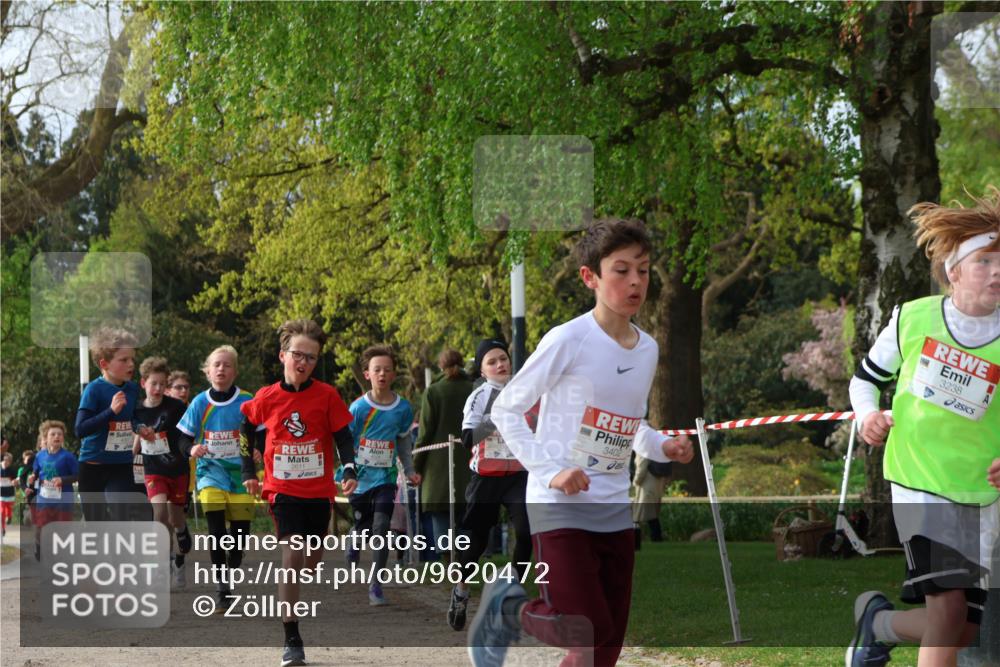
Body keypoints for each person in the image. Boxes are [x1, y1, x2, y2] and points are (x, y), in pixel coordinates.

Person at [468, 218, 694, 667]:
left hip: (612, 508)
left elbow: (632, 426)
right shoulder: (567, 340)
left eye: (644, 270)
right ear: (590, 277)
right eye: (622, 270)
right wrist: (551, 471)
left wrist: (661, 446)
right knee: (584, 630)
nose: (635, 281)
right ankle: (507, 607)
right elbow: (506, 409)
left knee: (605, 644)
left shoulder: (647, 349)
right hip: (558, 507)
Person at [846, 194, 1000, 667]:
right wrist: (868, 415)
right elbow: (865, 380)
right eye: (985, 261)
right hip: (918, 482)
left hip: (979, 491)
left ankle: (877, 626)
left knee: (963, 628)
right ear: (954, 270)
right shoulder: (912, 318)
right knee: (949, 608)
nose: (997, 272)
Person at [239, 320, 358, 667]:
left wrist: (349, 467)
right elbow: (245, 426)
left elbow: (344, 437)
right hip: (282, 489)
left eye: (311, 357)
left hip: (318, 490)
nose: (303, 362)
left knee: (310, 563)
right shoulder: (267, 397)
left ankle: (294, 592)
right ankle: (291, 637)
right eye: (297, 355)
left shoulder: (327, 395)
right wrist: (249, 470)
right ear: (283, 356)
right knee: (292, 555)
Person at [447, 338, 531, 631]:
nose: (500, 364)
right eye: (492, 361)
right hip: (486, 477)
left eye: (503, 359)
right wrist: (497, 418)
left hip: (518, 475)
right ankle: (461, 590)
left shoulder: (523, 393)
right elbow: (468, 439)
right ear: (483, 371)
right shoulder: (480, 396)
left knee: (526, 531)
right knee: (476, 541)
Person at [340, 344, 419, 606]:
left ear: (394, 374)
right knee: (364, 529)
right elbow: (345, 443)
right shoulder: (358, 408)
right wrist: (347, 470)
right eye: (377, 370)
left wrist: (409, 470)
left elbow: (404, 443)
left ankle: (376, 585)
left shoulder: (402, 409)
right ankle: (354, 537)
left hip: (386, 479)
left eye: (387, 370)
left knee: (382, 528)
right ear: (367, 374)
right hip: (360, 480)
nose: (382, 374)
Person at [177, 345, 254, 610]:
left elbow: (263, 432)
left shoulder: (246, 401)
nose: (221, 369)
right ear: (208, 371)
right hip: (210, 473)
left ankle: (232, 564)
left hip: (241, 475)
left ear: (235, 371)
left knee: (240, 536)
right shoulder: (200, 402)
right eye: (216, 365)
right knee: (216, 532)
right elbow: (182, 438)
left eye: (227, 365)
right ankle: (222, 587)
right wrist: (191, 449)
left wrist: (258, 448)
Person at [75, 327, 151, 522]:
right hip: (93, 466)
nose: (131, 364)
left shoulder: (132, 389)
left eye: (132, 359)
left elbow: (131, 418)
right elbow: (80, 429)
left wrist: (140, 428)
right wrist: (110, 412)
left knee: (122, 517)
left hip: (121, 465)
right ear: (104, 364)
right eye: (123, 360)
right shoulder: (94, 390)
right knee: (96, 524)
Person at [133, 357, 192, 588]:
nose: (157, 389)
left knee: (175, 517)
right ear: (143, 383)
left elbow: (186, 433)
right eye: (153, 383)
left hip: (177, 469)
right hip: (153, 470)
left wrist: (187, 447)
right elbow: (134, 427)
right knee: (159, 516)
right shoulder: (136, 408)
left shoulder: (176, 407)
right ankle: (163, 563)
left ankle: (181, 530)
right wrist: (135, 446)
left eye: (161, 384)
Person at [414, 349, 474, 556]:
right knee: (466, 513)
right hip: (469, 461)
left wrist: (416, 466)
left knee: (440, 514)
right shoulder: (473, 389)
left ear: (440, 366)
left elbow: (425, 433)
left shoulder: (434, 391)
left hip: (437, 466)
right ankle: (467, 559)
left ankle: (448, 561)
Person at [28, 421, 79, 559]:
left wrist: (63, 480)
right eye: (53, 434)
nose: (57, 436)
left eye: (60, 434)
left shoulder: (68, 456)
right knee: (40, 527)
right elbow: (36, 472)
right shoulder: (39, 456)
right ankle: (39, 547)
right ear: (46, 437)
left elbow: (78, 476)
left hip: (63, 499)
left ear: (63, 437)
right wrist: (32, 478)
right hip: (44, 498)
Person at [631, 453, 672, 544]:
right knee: (651, 516)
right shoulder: (655, 448)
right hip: (657, 484)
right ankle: (656, 539)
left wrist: (635, 482)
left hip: (646, 485)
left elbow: (641, 468)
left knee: (639, 516)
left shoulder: (643, 449)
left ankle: (636, 541)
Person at [17, 449, 36, 526]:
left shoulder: (34, 467)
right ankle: (26, 517)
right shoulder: (22, 470)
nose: (28, 461)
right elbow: (19, 478)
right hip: (26, 494)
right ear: (24, 460)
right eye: (27, 459)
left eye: (30, 459)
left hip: (34, 491)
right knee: (30, 510)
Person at [1, 453, 16, 533]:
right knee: (2, 511)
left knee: (8, 509)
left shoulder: (12, 470)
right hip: (1, 494)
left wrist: (14, 481)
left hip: (10, 494)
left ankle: (9, 517)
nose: (5, 462)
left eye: (7, 461)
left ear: (10, 462)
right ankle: (2, 528)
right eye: (4, 460)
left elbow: (16, 480)